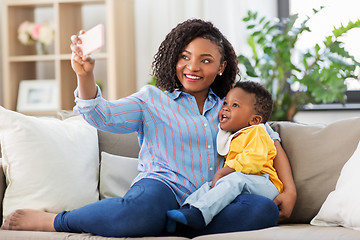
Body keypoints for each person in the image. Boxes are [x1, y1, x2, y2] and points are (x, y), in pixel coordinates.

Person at [1, 19, 296, 238]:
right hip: (162, 187)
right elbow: (99, 115)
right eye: (185, 57)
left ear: (220, 67)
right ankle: (53, 221)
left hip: (209, 198)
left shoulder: (230, 106)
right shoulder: (150, 99)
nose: (192, 67)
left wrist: (290, 191)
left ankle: (174, 223)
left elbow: (270, 139)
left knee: (263, 210)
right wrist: (85, 75)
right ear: (174, 58)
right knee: (135, 215)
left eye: (205, 60)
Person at [167, 81, 283, 231]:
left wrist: (225, 171)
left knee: (232, 179)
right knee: (208, 187)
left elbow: (254, 160)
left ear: (254, 120)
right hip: (244, 183)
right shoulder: (232, 135)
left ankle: (198, 215)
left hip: (264, 182)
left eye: (235, 105)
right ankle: (185, 212)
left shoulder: (257, 132)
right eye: (225, 103)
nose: (225, 108)